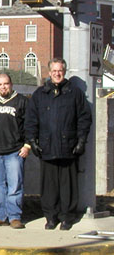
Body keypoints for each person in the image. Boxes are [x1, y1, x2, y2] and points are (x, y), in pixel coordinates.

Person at [25, 58, 92, 231]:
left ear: (65, 71)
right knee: (49, 186)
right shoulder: (40, 94)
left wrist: (81, 140)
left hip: (68, 147)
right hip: (46, 147)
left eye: (60, 70)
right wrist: (32, 141)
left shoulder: (74, 93)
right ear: (49, 73)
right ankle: (50, 217)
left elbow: (84, 118)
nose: (57, 73)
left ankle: (66, 217)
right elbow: (31, 120)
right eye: (54, 71)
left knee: (67, 186)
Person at [0, 74, 29, 229]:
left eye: (6, 84)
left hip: (15, 151)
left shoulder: (22, 101)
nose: (3, 87)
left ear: (11, 84)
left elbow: (29, 125)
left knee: (15, 185)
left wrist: (27, 145)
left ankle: (14, 216)